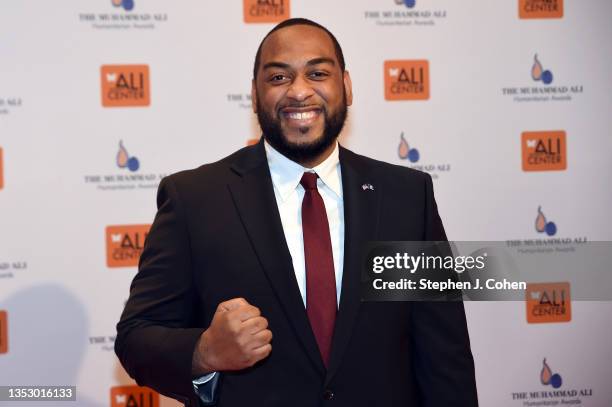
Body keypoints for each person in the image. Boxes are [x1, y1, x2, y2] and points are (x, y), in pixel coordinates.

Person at [115, 18, 478, 407]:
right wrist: (204, 351)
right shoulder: (195, 198)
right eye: (278, 78)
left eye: (318, 73)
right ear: (254, 95)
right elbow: (137, 336)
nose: (300, 91)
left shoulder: (407, 196)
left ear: (347, 87)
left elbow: (445, 356)